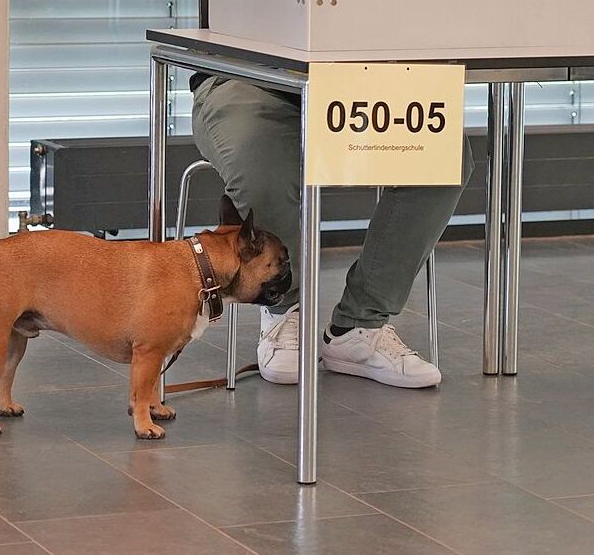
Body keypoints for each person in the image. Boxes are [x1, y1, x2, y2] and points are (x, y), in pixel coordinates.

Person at [190, 73, 472, 388]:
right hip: (249, 78)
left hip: (357, 81)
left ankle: (357, 327)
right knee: (262, 163)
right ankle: (283, 308)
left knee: (445, 151)